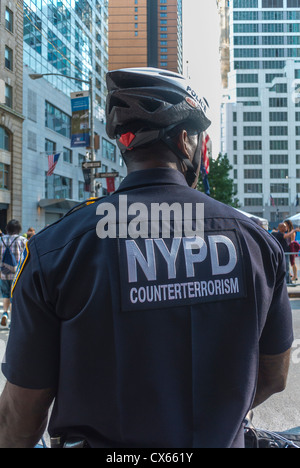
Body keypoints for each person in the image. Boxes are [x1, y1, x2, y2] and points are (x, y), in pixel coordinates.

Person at [0, 68, 294, 448]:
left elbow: (21, 416)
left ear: (126, 146)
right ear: (186, 142)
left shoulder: (55, 249)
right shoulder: (257, 242)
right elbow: (275, 375)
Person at [0, 220, 27, 328]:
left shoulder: (1, 240)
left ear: (7, 228)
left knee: (5, 294)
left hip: (3, 273)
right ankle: (12, 320)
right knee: (14, 297)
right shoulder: (22, 240)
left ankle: (5, 313)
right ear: (19, 229)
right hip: (17, 274)